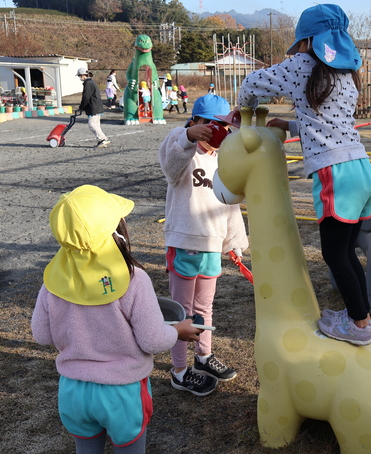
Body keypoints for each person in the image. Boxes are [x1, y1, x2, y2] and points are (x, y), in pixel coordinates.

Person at [237, 4, 371, 346]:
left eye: (300, 42)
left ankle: (358, 325)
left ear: (309, 41)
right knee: (347, 252)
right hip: (359, 167)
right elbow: (328, 123)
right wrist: (291, 125)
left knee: (333, 254)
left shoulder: (303, 64)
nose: (298, 50)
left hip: (336, 173)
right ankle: (362, 317)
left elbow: (253, 82)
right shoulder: (346, 73)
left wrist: (244, 108)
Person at [31, 184, 203, 454]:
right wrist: (178, 331)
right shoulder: (133, 279)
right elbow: (152, 340)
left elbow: (42, 336)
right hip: (122, 392)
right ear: (116, 231)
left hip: (73, 391)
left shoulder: (53, 281)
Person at [158, 93, 249, 395]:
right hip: (184, 241)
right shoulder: (182, 146)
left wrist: (234, 241)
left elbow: (230, 204)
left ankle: (204, 357)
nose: (216, 132)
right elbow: (170, 167)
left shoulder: (224, 160)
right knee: (182, 312)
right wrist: (187, 136)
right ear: (195, 121)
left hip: (212, 244)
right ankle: (179, 370)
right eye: (209, 125)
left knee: (204, 307)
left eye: (222, 126)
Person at [77, 68, 110, 148]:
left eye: (79, 76)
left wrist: (81, 106)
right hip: (96, 106)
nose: (79, 77)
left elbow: (86, 97)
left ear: (83, 75)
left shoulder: (88, 83)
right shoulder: (90, 82)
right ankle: (101, 140)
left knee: (92, 124)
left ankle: (103, 139)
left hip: (93, 107)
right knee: (96, 125)